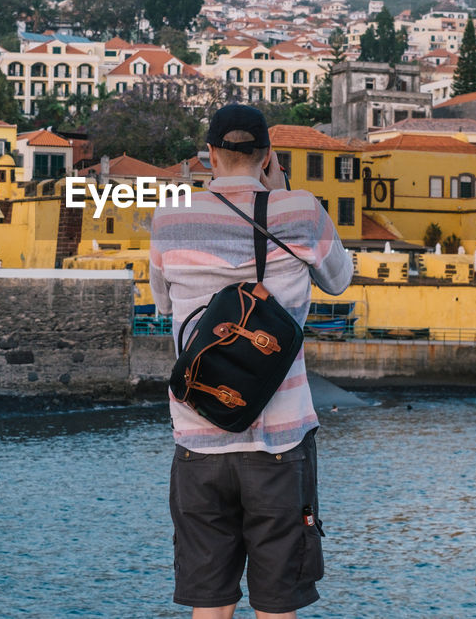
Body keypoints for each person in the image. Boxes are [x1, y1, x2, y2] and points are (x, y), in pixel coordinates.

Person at [151, 104, 353, 619]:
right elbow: (339, 278)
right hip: (279, 441)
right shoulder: (302, 210)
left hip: (197, 436)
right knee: (277, 603)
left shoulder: (170, 218)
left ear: (210, 154)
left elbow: (164, 306)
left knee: (210, 603)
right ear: (268, 156)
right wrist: (281, 193)